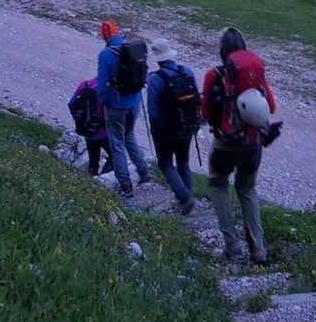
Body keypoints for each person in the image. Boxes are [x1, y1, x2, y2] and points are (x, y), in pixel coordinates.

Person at [201, 26, 277, 265]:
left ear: (222, 50)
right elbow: (271, 107)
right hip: (253, 144)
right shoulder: (256, 75)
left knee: (218, 183)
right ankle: (258, 249)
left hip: (225, 143)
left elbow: (205, 112)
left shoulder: (214, 74)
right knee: (247, 190)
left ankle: (232, 244)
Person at [96, 20, 152, 196]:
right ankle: (144, 171)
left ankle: (126, 186)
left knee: (117, 143)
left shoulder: (105, 54)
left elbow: (102, 86)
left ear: (104, 35)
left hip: (116, 105)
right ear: (117, 32)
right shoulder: (131, 49)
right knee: (129, 135)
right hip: (134, 102)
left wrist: (105, 102)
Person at [146, 38, 200, 215]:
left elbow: (153, 110)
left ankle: (185, 198)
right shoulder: (188, 71)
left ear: (158, 59)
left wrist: (156, 130)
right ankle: (188, 198)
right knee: (183, 162)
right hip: (188, 126)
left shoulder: (155, 79)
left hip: (167, 131)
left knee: (165, 163)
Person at [68, 77, 114, 176]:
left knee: (93, 161)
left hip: (87, 131)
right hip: (103, 132)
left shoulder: (84, 84)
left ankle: (93, 178)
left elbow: (71, 104)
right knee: (114, 157)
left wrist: (78, 119)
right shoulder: (108, 89)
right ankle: (103, 179)